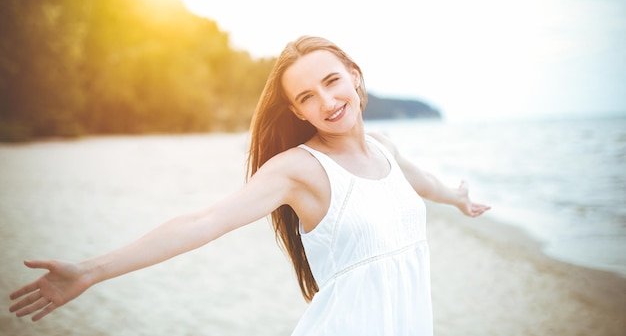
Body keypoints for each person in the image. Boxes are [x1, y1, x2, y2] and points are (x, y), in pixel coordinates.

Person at [9, 35, 490, 335]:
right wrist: (92, 271)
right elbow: (205, 221)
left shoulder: (384, 146)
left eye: (332, 81)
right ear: (298, 112)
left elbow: (420, 181)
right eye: (307, 96)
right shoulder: (298, 169)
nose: (327, 101)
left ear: (355, 77)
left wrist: (457, 196)